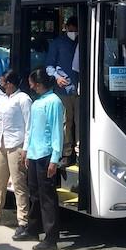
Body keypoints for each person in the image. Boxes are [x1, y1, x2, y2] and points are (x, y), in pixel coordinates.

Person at [13, 68, 64, 250]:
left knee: (47, 197)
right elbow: (32, 129)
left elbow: (58, 131)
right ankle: (33, 228)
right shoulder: (37, 102)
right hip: (34, 154)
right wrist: (26, 150)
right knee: (34, 194)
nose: (31, 86)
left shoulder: (53, 102)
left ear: (40, 83)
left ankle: (51, 237)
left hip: (45, 155)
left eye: (32, 83)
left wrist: (54, 158)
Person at [0, 69, 31, 234]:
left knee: (18, 183)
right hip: (2, 144)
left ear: (10, 83)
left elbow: (29, 126)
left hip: (16, 144)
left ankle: (23, 221)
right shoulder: (1, 99)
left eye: (2, 82)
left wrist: (26, 149)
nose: (0, 85)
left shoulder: (23, 99)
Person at [45, 16, 78, 165]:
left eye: (77, 29)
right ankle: (66, 153)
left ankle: (79, 152)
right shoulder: (57, 43)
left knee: (79, 122)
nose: (74, 32)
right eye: (72, 29)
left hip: (80, 90)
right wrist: (57, 77)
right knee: (66, 122)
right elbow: (49, 66)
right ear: (67, 27)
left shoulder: (83, 41)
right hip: (63, 89)